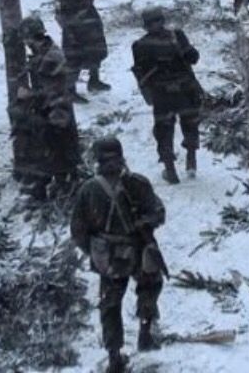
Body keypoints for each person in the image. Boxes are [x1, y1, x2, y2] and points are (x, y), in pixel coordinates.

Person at [71, 137, 168, 373]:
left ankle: (114, 356)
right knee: (149, 285)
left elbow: (78, 231)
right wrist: (143, 224)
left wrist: (95, 250)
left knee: (110, 304)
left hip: (109, 257)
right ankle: (145, 332)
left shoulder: (88, 190)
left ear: (97, 160)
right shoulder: (137, 183)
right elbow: (158, 213)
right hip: (138, 249)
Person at [131, 8, 203, 184]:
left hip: (162, 94)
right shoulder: (177, 36)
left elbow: (141, 73)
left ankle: (170, 168)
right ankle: (191, 159)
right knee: (190, 124)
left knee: (164, 129)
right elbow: (193, 58)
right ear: (163, 20)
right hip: (185, 89)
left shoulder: (140, 45)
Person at [17, 15, 82, 200]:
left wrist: (29, 95)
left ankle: (65, 190)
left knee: (60, 152)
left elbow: (53, 90)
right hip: (53, 110)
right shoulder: (44, 53)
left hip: (57, 112)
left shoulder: (50, 57)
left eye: (27, 39)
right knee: (53, 152)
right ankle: (53, 187)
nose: (26, 43)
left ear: (30, 37)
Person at [53, 0, 111, 98]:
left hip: (88, 15)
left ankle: (94, 80)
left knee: (96, 50)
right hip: (71, 18)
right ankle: (70, 89)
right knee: (73, 55)